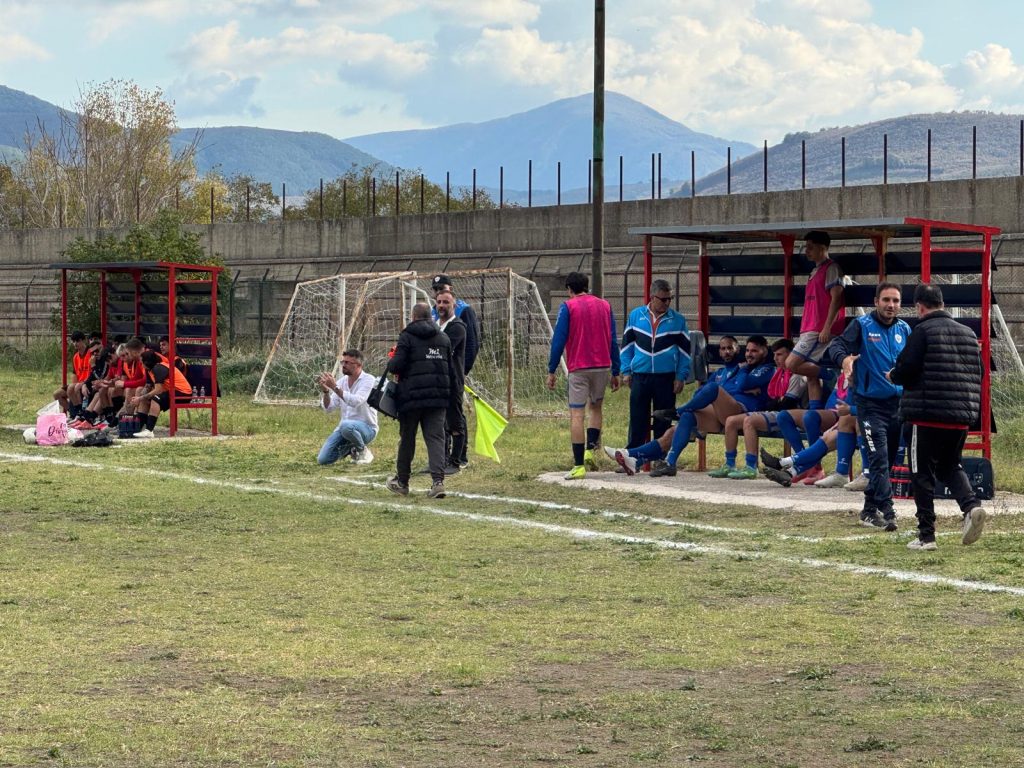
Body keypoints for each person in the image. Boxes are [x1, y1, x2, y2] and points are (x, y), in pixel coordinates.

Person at [889, 283, 986, 550]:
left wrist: (893, 376)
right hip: (960, 416)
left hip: (926, 416)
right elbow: (980, 373)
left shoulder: (922, 330)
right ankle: (971, 507)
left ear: (920, 306)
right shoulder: (968, 333)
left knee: (921, 473)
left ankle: (926, 535)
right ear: (942, 303)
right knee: (949, 465)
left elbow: (906, 368)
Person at [606, 335, 773, 477]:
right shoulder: (720, 373)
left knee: (712, 389)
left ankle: (677, 411)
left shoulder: (761, 369)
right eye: (723, 348)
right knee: (684, 421)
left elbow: (740, 385)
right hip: (720, 414)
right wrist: (697, 404)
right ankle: (643, 458)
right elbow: (702, 393)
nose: (727, 352)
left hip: (741, 412)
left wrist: (743, 370)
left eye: (754, 351)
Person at [820, 281, 911, 530]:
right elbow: (837, 346)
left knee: (888, 460)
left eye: (895, 301)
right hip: (870, 405)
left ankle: (869, 511)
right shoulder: (862, 325)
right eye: (886, 300)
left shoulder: (905, 329)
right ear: (876, 302)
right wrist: (845, 359)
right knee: (878, 458)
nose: (891, 305)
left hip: (898, 405)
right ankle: (889, 512)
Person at [547, 271, 621, 480]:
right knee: (596, 408)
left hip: (579, 367)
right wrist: (616, 370)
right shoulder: (605, 305)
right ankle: (590, 450)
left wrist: (551, 370)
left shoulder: (568, 307)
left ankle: (579, 464)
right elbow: (612, 339)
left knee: (577, 415)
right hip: (602, 366)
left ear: (569, 289)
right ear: (587, 286)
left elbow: (558, 340)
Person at [711, 338, 806, 479]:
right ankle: (729, 464)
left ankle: (751, 467)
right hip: (775, 412)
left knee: (749, 421)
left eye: (779, 355)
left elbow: (786, 404)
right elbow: (772, 399)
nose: (775, 358)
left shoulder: (796, 375)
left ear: (791, 355)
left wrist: (769, 400)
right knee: (731, 421)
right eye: (774, 355)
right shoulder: (779, 373)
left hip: (789, 415)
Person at [386, 302, 453, 498]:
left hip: (411, 396)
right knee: (436, 438)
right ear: (431, 317)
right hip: (438, 396)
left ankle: (403, 482)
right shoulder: (443, 337)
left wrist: (392, 357)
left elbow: (396, 366)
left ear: (413, 317)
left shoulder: (407, 336)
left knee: (407, 438)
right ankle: (438, 482)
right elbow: (450, 367)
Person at [619, 279, 690, 450]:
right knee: (637, 418)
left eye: (670, 299)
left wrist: (681, 376)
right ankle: (632, 456)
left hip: (666, 377)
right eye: (663, 299)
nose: (667, 303)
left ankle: (660, 458)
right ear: (652, 297)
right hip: (640, 376)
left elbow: (685, 352)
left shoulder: (678, 320)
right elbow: (627, 346)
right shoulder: (636, 316)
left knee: (663, 420)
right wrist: (626, 371)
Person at [786, 231, 845, 412]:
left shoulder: (832, 268)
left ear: (823, 247)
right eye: (806, 247)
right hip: (809, 327)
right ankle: (815, 413)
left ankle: (830, 375)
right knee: (810, 375)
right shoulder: (814, 271)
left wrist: (827, 327)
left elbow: (837, 298)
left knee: (791, 364)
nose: (806, 251)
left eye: (810, 247)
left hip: (819, 328)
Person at [430, 274, 479, 468]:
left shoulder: (463, 312)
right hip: (438, 377)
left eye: (442, 289)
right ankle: (441, 458)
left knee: (455, 417)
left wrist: (462, 370)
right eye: (435, 291)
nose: (440, 299)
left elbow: (472, 343)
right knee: (440, 420)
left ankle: (460, 457)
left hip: (454, 375)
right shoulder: (435, 315)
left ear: (451, 290)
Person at [316, 348, 378, 466]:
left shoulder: (369, 380)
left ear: (358, 365)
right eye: (342, 362)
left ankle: (363, 451)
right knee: (323, 460)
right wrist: (325, 392)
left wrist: (334, 387)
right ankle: (351, 449)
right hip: (345, 429)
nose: (343, 365)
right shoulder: (341, 381)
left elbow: (356, 401)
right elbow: (328, 408)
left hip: (367, 429)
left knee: (346, 425)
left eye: (347, 363)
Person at [435, 289, 468, 474]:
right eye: (439, 302)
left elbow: (442, 348)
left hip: (453, 381)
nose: (442, 305)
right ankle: (441, 460)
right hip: (438, 382)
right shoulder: (435, 326)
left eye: (445, 302)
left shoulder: (458, 326)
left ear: (453, 305)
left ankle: (456, 461)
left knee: (455, 421)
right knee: (440, 423)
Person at [130, 349, 194, 438]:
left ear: (147, 362)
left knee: (155, 398)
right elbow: (148, 386)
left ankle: (149, 430)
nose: (140, 364)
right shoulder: (149, 370)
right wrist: (139, 398)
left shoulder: (158, 368)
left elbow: (158, 390)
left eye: (142, 362)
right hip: (170, 392)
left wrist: (140, 398)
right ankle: (137, 428)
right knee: (144, 400)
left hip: (183, 393)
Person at [53, 331, 92, 418]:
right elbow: (75, 374)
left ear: (83, 341)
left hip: (87, 382)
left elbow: (93, 373)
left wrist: (81, 384)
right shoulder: (75, 357)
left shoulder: (90, 353)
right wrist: (73, 385)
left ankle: (80, 414)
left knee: (73, 387)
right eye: (73, 341)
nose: (75, 344)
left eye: (78, 341)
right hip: (78, 383)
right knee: (57, 394)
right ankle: (74, 413)